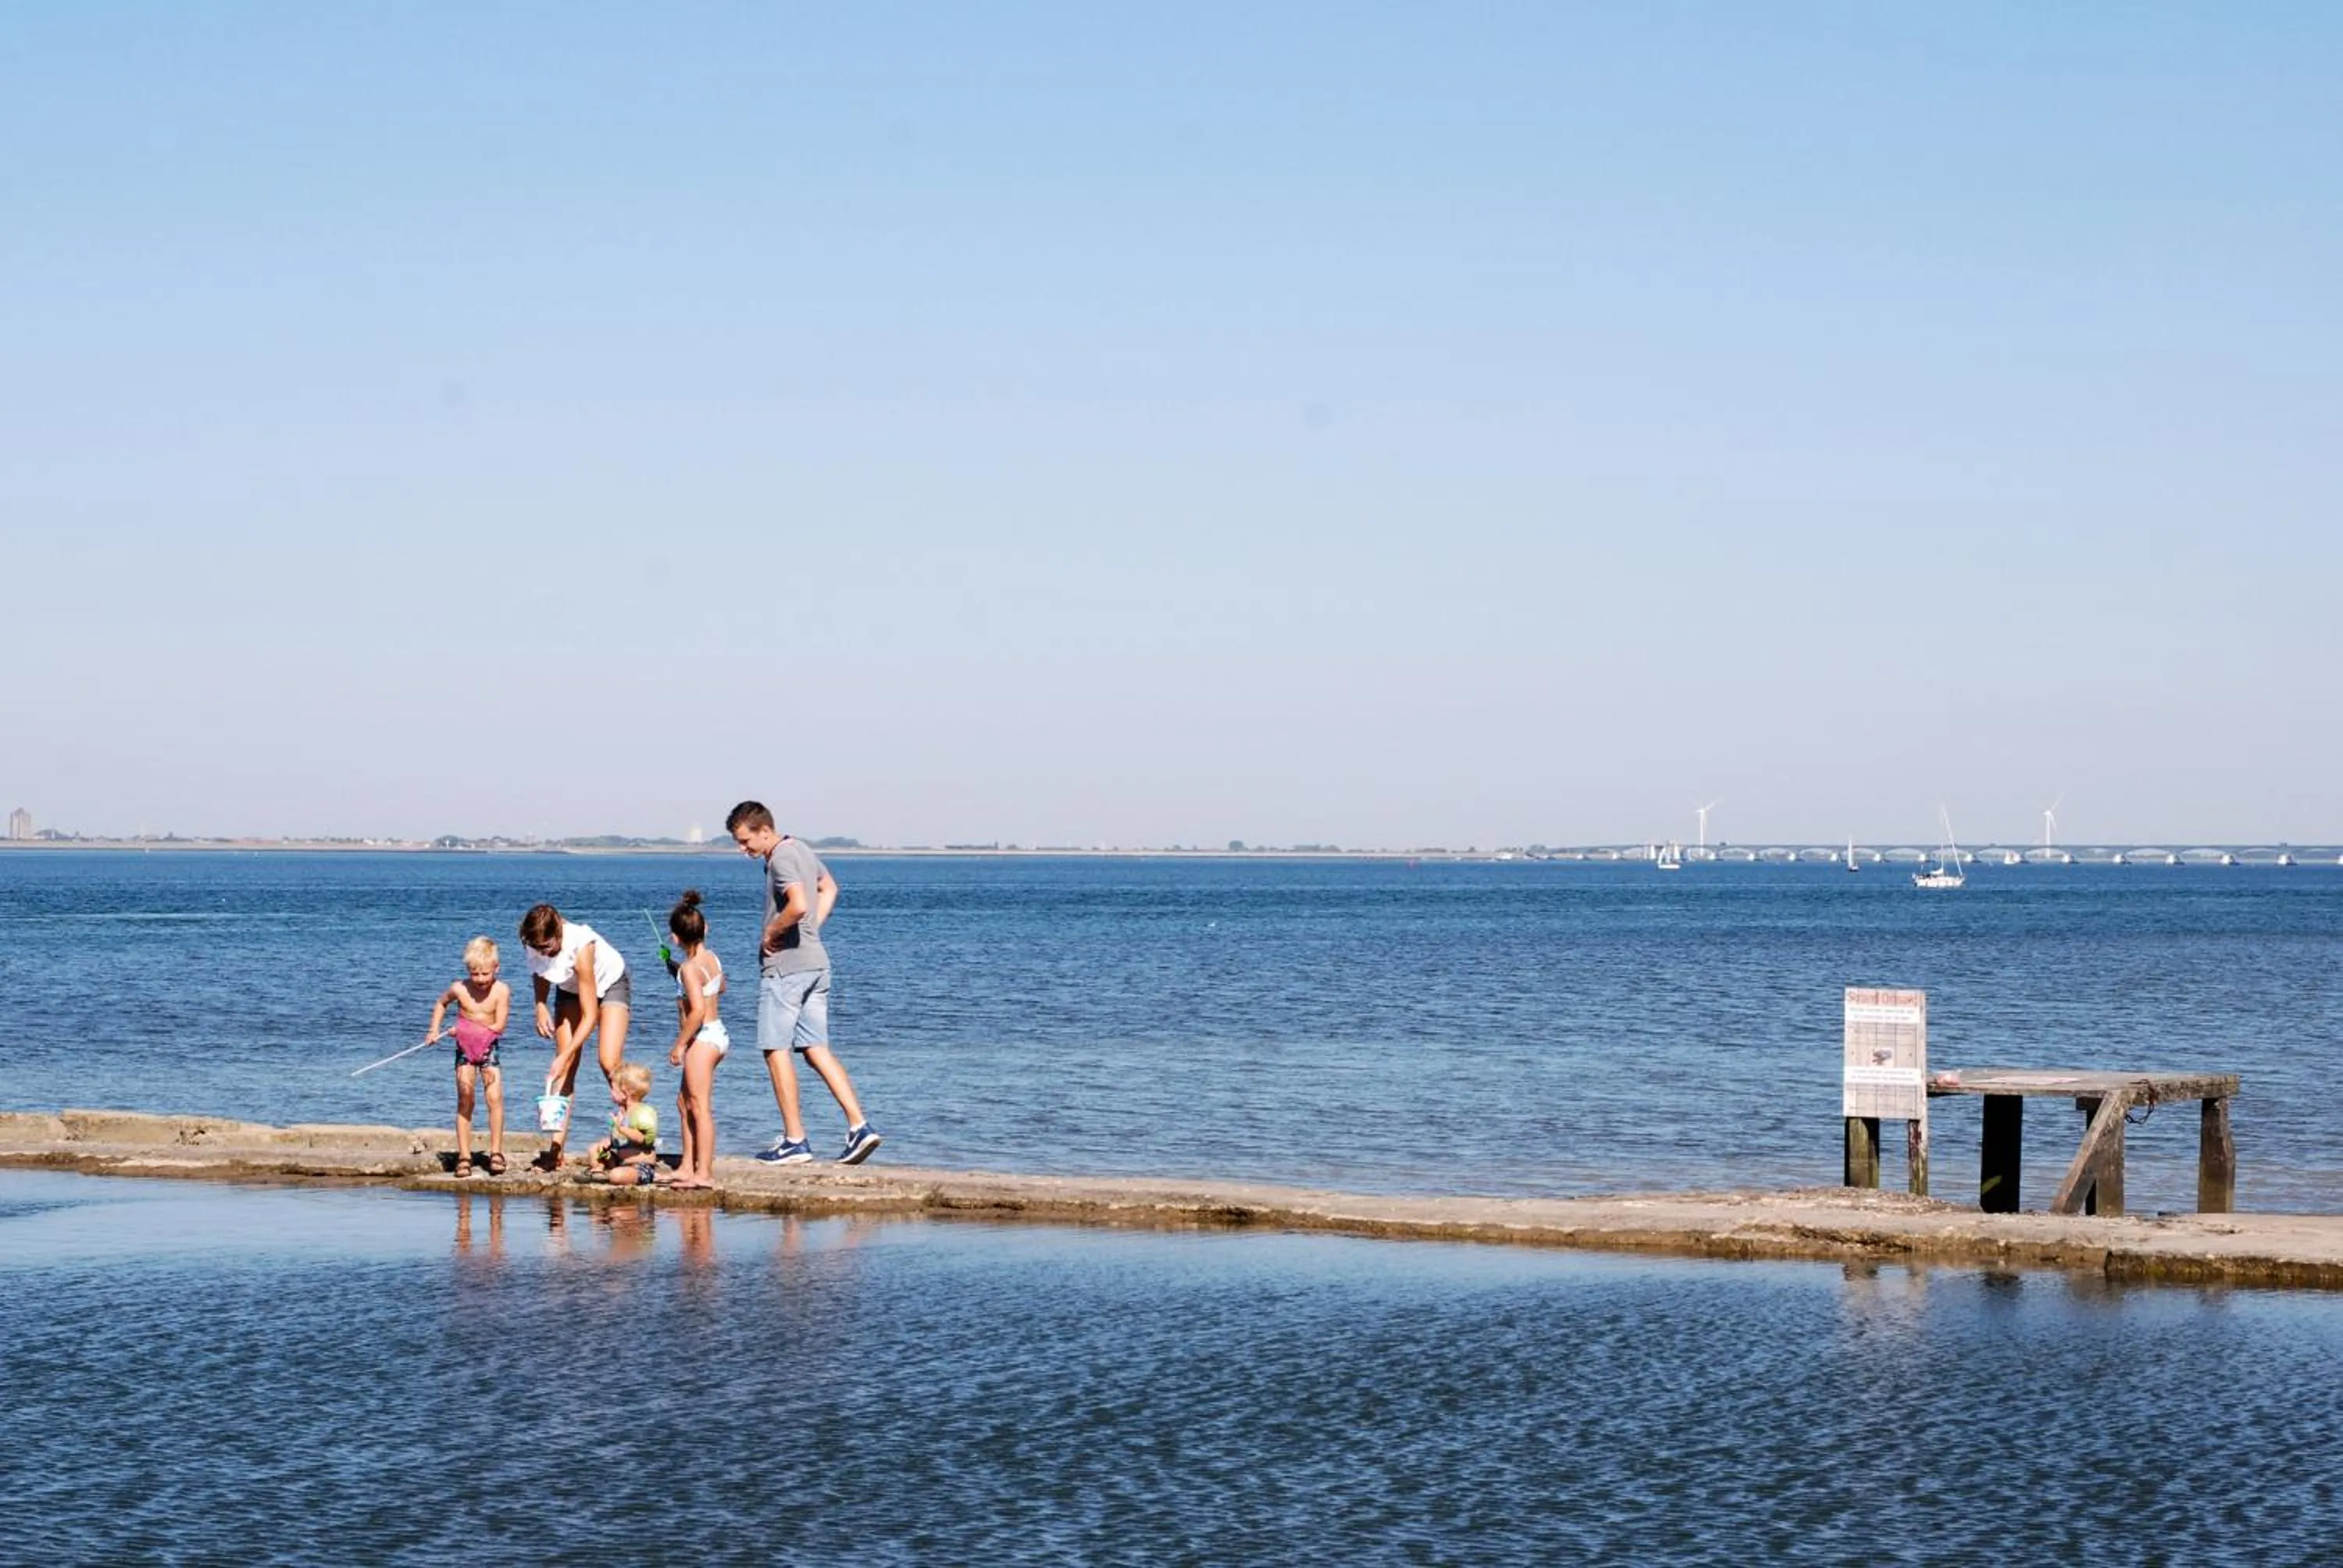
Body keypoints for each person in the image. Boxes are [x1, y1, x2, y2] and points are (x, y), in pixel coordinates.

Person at [726, 800, 881, 1164]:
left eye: (746, 841)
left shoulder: (780, 857)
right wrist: (813, 928)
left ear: (765, 830)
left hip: (787, 969)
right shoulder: (803, 849)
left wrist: (772, 931)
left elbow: (796, 904)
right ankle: (860, 1126)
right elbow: (829, 888)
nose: (742, 849)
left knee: (775, 1049)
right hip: (816, 964)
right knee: (815, 1049)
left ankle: (795, 1140)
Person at [519, 903, 632, 1171]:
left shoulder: (581, 946)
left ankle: (633, 1140)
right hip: (568, 987)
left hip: (610, 983)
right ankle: (555, 1152)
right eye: (537, 948)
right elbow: (540, 971)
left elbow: (590, 1016)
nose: (542, 952)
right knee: (564, 1070)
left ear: (557, 935)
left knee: (608, 1061)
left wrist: (566, 1053)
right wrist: (540, 1005)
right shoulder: (534, 942)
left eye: (547, 947)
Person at [423, 935, 511, 1178]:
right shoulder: (459, 989)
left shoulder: (501, 991)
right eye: (475, 974)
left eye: (485, 974)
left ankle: (496, 1152)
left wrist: (464, 1029)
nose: (481, 980)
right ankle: (464, 1156)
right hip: (464, 1049)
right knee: (465, 1098)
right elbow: (441, 1004)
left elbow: (500, 1026)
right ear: (468, 971)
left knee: (494, 1097)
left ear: (496, 968)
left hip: (487, 1048)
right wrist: (435, 1030)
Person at [664, 889, 727, 1190]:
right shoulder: (710, 959)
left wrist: (679, 1044)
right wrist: (679, 975)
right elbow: (719, 988)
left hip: (703, 1038)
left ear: (676, 938)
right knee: (683, 1102)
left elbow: (698, 1012)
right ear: (705, 930)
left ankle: (705, 1172)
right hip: (717, 1034)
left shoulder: (689, 969)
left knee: (699, 1106)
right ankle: (687, 1165)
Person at [587, 1060, 661, 1186]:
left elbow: (643, 1139)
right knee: (594, 1149)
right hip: (621, 1161)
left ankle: (619, 1175)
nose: (610, 1092)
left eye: (613, 1089)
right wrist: (609, 1142)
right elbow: (620, 1138)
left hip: (640, 1167)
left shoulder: (643, 1112)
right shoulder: (622, 1112)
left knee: (617, 1175)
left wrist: (621, 1128)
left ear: (625, 1093)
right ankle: (599, 1169)